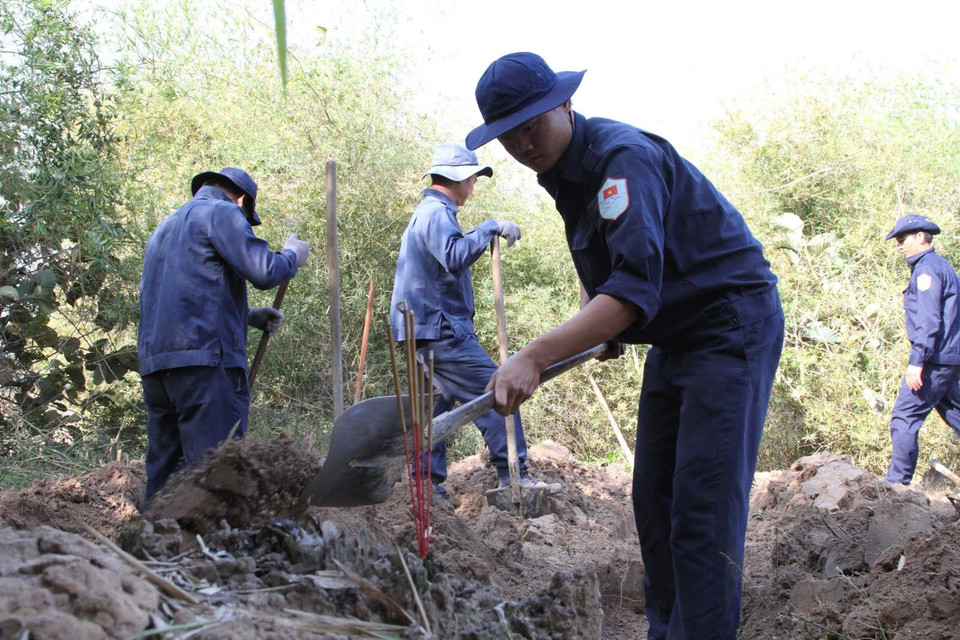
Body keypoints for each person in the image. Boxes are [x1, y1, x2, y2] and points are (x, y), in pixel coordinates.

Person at [465, 53, 784, 639]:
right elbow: (607, 271)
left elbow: (635, 290)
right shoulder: (562, 172)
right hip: (676, 333)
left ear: (564, 104)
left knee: (703, 508)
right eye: (508, 137)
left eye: (531, 125)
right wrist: (599, 322)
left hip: (728, 325)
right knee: (654, 500)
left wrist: (535, 354)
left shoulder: (621, 158)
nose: (523, 144)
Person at [138, 167, 309, 501]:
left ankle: (150, 547)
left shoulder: (164, 229)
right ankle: (211, 548)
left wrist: (247, 317)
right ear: (241, 199)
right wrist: (291, 256)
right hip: (206, 367)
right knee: (217, 475)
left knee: (164, 479)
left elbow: (178, 300)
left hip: (159, 368)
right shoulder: (223, 211)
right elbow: (264, 270)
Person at [389, 142, 537, 497]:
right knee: (498, 391)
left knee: (431, 414)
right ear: (458, 179)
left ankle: (424, 488)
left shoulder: (426, 213)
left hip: (423, 331)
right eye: (472, 180)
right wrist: (489, 228)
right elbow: (455, 255)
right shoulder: (436, 213)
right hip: (442, 333)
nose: (473, 187)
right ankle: (514, 477)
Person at [883, 214, 960, 485]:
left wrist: (917, 362)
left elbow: (929, 321)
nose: (899, 246)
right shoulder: (941, 265)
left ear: (919, 236)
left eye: (902, 239)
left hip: (934, 359)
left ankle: (896, 486)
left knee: (904, 417)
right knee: (955, 412)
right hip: (949, 358)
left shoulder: (927, 270)